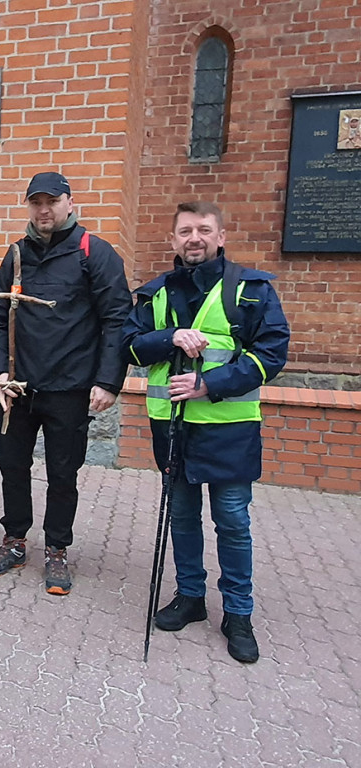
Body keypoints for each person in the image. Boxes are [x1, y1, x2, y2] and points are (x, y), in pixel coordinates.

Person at [122, 201, 289, 663]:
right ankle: (190, 597)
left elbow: (271, 355)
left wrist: (207, 384)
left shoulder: (251, 291)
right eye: (184, 231)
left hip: (229, 429)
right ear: (173, 240)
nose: (193, 238)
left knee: (232, 522)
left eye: (203, 230)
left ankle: (238, 613)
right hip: (172, 430)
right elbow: (129, 348)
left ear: (220, 236)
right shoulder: (154, 295)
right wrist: (170, 337)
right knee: (182, 516)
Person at [0, 171, 132, 595]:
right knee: (12, 465)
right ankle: (15, 541)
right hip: (18, 388)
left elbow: (116, 319)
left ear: (69, 202)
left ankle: (56, 548)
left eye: (52, 201)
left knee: (63, 472)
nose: (44, 210)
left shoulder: (94, 253)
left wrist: (108, 381)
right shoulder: (15, 255)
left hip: (70, 387)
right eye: (36, 202)